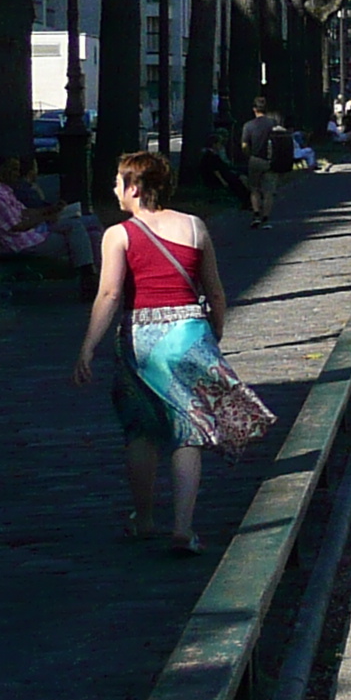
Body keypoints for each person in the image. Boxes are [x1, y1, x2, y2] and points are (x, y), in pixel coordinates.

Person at [73, 150, 248, 555]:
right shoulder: (194, 227)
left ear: (135, 187)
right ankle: (183, 526)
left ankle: (146, 516)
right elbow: (215, 289)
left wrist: (87, 347)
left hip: (142, 336)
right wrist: (214, 331)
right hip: (189, 333)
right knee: (189, 432)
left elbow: (111, 293)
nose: (115, 189)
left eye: (119, 182)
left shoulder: (119, 235)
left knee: (142, 429)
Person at [0, 151, 97, 273]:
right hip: (22, 244)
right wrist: (45, 218)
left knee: (90, 232)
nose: (17, 174)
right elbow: (17, 226)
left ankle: (94, 275)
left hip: (34, 234)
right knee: (83, 234)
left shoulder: (3, 189)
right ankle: (88, 275)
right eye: (14, 169)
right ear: (2, 169)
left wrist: (50, 209)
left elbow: (24, 212)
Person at [239, 96, 289, 229]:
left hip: (255, 159)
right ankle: (266, 217)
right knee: (268, 191)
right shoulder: (273, 124)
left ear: (254, 109)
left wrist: (249, 156)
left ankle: (256, 214)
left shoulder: (248, 126)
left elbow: (244, 145)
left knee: (254, 189)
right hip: (271, 160)